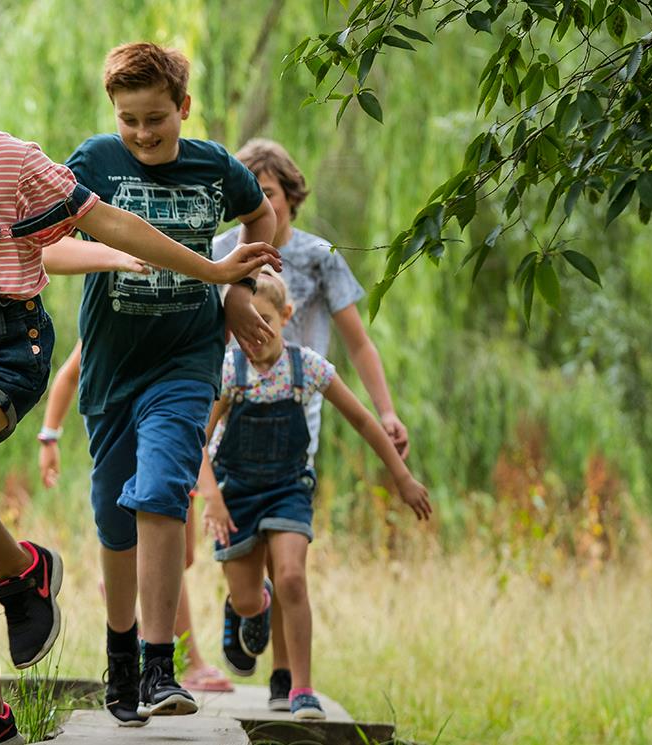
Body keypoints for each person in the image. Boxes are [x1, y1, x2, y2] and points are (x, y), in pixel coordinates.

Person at [0, 11, 280, 744]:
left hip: (8, 348)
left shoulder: (10, 161)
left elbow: (113, 224)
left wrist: (216, 272)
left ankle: (26, 568)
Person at [54, 41, 279, 725]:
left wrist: (238, 287)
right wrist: (113, 252)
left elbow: (259, 218)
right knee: (114, 520)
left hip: (185, 363)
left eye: (157, 118)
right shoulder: (94, 162)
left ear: (183, 108)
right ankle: (120, 657)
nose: (144, 134)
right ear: (113, 114)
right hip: (112, 372)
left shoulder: (216, 167)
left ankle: (159, 664)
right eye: (130, 120)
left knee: (158, 493)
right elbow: (47, 244)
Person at [211, 138, 412, 708]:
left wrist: (387, 410)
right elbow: (206, 340)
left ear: (290, 199)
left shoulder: (319, 257)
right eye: (249, 197)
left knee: (289, 562)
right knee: (257, 566)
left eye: (268, 195)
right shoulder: (224, 251)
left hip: (301, 419)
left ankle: (286, 679)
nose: (261, 209)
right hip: (236, 420)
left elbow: (359, 341)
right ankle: (244, 605)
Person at [197, 270, 432, 720]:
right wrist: (211, 497)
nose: (256, 333)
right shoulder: (229, 370)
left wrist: (401, 477)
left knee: (292, 578)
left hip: (288, 488)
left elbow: (364, 421)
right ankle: (251, 605)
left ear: (286, 316)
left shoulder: (308, 367)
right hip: (237, 494)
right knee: (249, 598)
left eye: (265, 320)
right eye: (247, 323)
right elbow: (198, 442)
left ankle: (302, 688)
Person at [36, 341, 233, 693]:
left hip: (175, 438)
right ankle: (187, 661)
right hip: (141, 451)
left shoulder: (189, 313)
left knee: (183, 556)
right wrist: (49, 438)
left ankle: (125, 584)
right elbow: (68, 375)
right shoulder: (115, 317)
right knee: (159, 548)